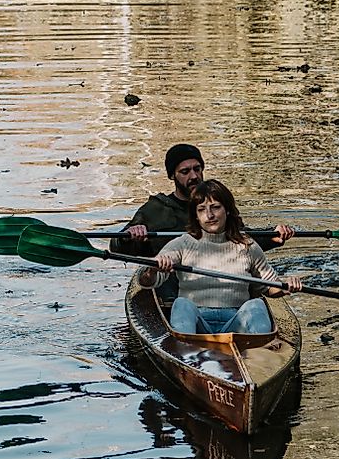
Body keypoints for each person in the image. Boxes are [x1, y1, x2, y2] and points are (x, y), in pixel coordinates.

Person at [153, 180, 304, 334]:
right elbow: (148, 280)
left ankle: (259, 352)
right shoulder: (183, 243)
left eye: (216, 207)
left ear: (228, 210)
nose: (209, 215)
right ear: (196, 216)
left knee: (257, 305)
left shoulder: (248, 246)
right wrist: (153, 269)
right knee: (181, 304)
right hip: (196, 325)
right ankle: (184, 350)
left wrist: (287, 287)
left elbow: (269, 287)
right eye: (201, 209)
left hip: (236, 325)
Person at [119, 143, 291, 255]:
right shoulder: (155, 209)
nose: (194, 176)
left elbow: (239, 237)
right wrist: (129, 236)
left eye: (197, 169)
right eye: (185, 172)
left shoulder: (218, 202)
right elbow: (117, 246)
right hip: (171, 280)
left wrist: (272, 235)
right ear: (172, 175)